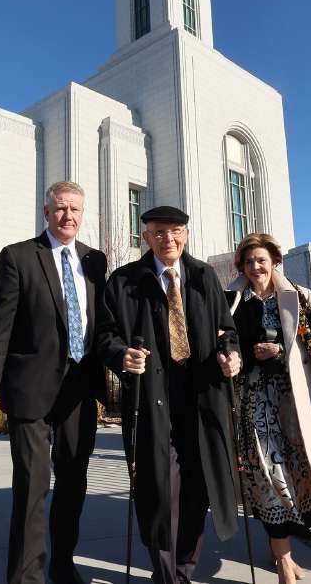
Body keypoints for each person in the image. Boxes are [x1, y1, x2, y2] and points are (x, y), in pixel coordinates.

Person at [0, 181, 108, 584]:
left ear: (83, 215)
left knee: (73, 487)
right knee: (32, 489)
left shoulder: (96, 261)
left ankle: (63, 567)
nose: (69, 216)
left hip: (80, 394)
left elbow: (105, 327)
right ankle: (26, 577)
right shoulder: (18, 257)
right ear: (46, 212)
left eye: (76, 210)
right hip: (31, 392)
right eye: (61, 208)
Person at [98, 205, 242, 584]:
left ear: (186, 235)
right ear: (146, 237)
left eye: (176, 231)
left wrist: (233, 354)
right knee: (159, 493)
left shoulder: (204, 276)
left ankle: (183, 570)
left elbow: (227, 329)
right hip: (151, 401)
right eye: (159, 232)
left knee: (198, 490)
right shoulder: (125, 280)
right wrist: (120, 355)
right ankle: (166, 577)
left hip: (201, 401)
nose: (168, 239)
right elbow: (105, 335)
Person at [224, 233, 311, 584]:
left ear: (273, 260)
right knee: (269, 474)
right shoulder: (233, 301)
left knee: (296, 476)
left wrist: (280, 352)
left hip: (294, 403)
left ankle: (283, 551)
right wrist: (245, 355)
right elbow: (225, 342)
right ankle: (282, 561)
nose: (255, 267)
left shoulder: (296, 296)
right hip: (254, 401)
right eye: (248, 262)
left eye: (260, 260)